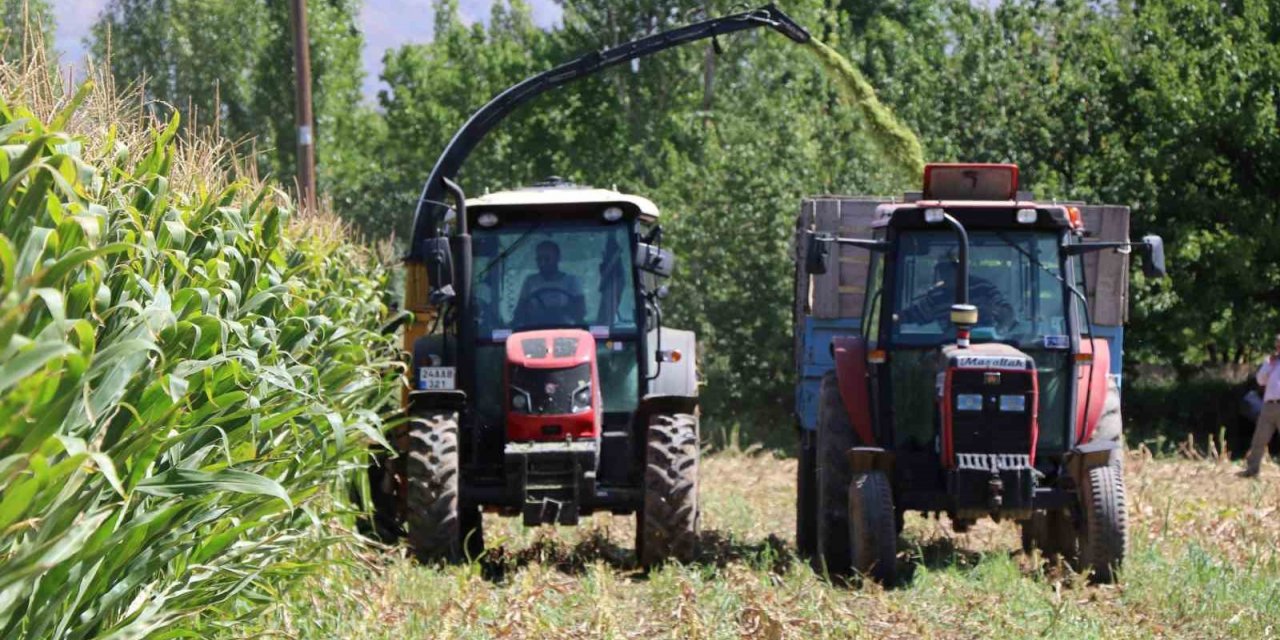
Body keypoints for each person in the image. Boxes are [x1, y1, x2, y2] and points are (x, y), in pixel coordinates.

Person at [900, 257, 1014, 331]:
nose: (946, 273)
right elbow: (914, 314)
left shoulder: (984, 288)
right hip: (949, 345)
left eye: (951, 268)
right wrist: (894, 319)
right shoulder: (936, 296)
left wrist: (1002, 329)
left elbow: (1006, 310)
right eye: (942, 269)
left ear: (962, 269)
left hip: (985, 345)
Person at [513, 240, 586, 326]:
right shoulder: (530, 282)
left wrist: (561, 311)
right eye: (539, 259)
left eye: (547, 259)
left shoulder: (571, 281)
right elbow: (519, 312)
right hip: (534, 330)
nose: (542, 263)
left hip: (566, 330)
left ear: (557, 258)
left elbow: (580, 312)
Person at [1240, 334, 1280, 478]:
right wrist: (1268, 364)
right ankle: (1252, 470)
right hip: (1269, 405)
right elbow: (1260, 381)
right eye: (1277, 343)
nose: (1278, 346)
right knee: (1259, 439)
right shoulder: (1271, 362)